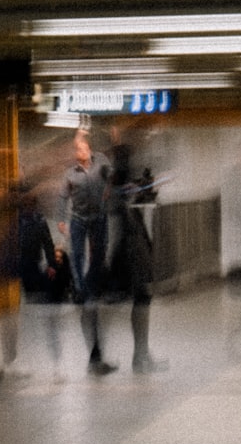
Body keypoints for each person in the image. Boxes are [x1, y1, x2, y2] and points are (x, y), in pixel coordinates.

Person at [106, 126, 169, 374]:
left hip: (132, 237)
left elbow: (137, 196)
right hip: (129, 242)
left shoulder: (120, 179)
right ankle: (140, 356)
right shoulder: (120, 174)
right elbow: (127, 192)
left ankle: (141, 355)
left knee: (141, 297)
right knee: (141, 296)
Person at [57, 130, 116, 376]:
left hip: (98, 216)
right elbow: (62, 198)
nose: (78, 153)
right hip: (79, 218)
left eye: (81, 148)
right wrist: (62, 220)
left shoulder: (101, 161)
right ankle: (80, 288)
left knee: (99, 251)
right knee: (78, 253)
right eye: (75, 149)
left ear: (89, 148)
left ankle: (97, 281)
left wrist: (110, 193)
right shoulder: (70, 174)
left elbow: (113, 178)